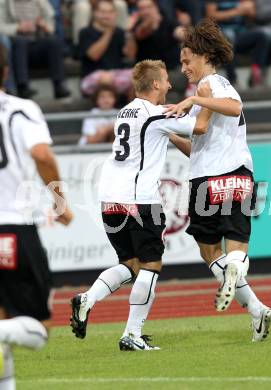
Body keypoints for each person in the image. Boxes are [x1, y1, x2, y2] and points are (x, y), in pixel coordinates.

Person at [69, 59, 212, 351]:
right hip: (140, 199)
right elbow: (200, 126)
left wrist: (171, 131)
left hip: (110, 199)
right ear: (156, 84)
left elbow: (159, 133)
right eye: (166, 80)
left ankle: (88, 298)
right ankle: (132, 334)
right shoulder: (156, 113)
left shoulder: (126, 110)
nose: (171, 85)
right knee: (151, 265)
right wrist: (204, 98)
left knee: (130, 264)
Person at [165, 19, 271, 342]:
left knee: (209, 249)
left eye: (187, 60)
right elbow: (199, 140)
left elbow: (234, 106)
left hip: (210, 181)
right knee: (232, 247)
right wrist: (170, 134)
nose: (183, 67)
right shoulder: (206, 91)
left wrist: (195, 102)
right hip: (230, 175)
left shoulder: (213, 84)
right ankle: (256, 309)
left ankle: (236, 280)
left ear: (203, 55)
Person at [0, 43, 73, 389]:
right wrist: (59, 202)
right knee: (38, 329)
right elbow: (42, 154)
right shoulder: (18, 109)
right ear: (6, 71)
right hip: (11, 229)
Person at [0, 0, 71, 99]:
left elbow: (51, 27)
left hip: (37, 42)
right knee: (21, 42)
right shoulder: (4, 3)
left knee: (54, 41)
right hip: (16, 46)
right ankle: (23, 87)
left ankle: (59, 85)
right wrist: (18, 27)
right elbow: (1, 27)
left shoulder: (41, 2)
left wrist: (43, 25)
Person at [79, 0, 135, 99]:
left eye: (110, 12)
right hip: (90, 80)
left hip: (116, 76)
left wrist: (129, 33)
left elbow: (130, 55)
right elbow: (94, 55)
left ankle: (133, 112)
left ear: (115, 14)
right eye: (103, 12)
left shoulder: (120, 32)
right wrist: (109, 31)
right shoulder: (85, 32)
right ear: (94, 13)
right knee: (106, 77)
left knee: (140, 77)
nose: (106, 15)